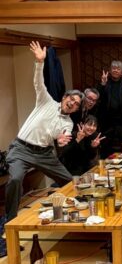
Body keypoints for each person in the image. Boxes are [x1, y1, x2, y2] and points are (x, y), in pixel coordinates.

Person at [5, 41, 83, 222]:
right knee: (15, 179)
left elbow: (62, 136)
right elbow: (38, 82)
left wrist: (61, 140)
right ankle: (10, 219)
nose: (72, 103)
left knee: (69, 181)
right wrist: (40, 62)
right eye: (71, 99)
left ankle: (76, 209)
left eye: (76, 104)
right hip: (22, 149)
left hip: (45, 154)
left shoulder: (69, 123)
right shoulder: (45, 101)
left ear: (76, 109)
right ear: (64, 97)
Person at [98, 60, 122, 157]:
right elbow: (99, 99)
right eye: (113, 68)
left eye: (118, 69)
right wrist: (102, 84)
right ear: (110, 70)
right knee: (106, 146)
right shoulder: (105, 83)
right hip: (107, 121)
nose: (115, 70)